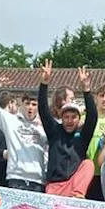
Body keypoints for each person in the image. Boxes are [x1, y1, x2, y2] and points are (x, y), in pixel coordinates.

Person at [37, 59, 97, 197]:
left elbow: (93, 116)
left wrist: (86, 90)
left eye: (73, 117)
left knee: (88, 164)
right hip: (55, 186)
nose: (70, 121)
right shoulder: (54, 131)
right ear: (61, 117)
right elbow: (43, 109)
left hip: (73, 185)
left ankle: (77, 196)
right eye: (67, 117)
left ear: (79, 119)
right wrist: (44, 83)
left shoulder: (83, 135)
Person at [0, 78, 48, 192]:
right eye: (27, 104)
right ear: (21, 104)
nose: (30, 108)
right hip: (16, 179)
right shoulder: (11, 121)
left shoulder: (45, 125)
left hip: (38, 181)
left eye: (34, 104)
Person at [85, 81, 105, 200]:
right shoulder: (86, 119)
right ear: (96, 98)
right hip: (87, 172)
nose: (104, 99)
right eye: (101, 96)